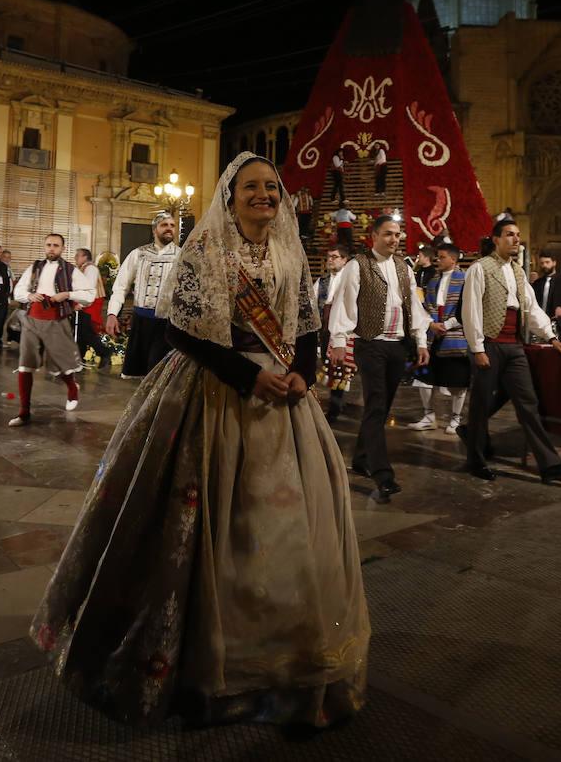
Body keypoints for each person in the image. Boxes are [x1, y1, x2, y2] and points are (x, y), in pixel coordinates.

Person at [29, 151, 370, 728]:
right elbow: (183, 332)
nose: (264, 195)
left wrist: (302, 376)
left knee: (288, 528)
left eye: (272, 187)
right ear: (230, 197)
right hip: (215, 394)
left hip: (284, 402)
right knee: (217, 524)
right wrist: (248, 375)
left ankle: (289, 662)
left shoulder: (291, 252)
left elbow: (305, 326)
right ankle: (206, 668)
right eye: (251, 188)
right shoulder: (206, 251)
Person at [329, 215, 431, 503]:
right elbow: (344, 304)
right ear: (373, 236)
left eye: (397, 234)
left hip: (397, 346)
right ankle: (383, 475)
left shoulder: (404, 269)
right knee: (376, 404)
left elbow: (415, 306)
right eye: (388, 234)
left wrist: (421, 340)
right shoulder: (357, 265)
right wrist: (339, 340)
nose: (394, 239)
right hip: (369, 343)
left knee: (382, 407)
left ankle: (361, 457)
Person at [461, 219, 561, 483]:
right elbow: (471, 311)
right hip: (489, 343)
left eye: (518, 235)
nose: (515, 239)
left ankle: (549, 465)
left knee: (528, 402)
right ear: (496, 239)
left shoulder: (520, 272)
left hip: (514, 345)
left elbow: (531, 310)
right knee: (481, 404)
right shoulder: (479, 268)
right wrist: (477, 348)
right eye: (509, 234)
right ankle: (476, 460)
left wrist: (551, 336)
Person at [9, 234, 95, 427]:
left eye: (56, 245)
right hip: (31, 319)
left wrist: (67, 294)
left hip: (56, 319)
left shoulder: (70, 270)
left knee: (62, 361)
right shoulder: (35, 267)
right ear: (44, 246)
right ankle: (24, 412)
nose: (51, 248)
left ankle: (72, 388)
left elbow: (90, 294)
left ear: (63, 248)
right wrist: (30, 295)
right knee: (25, 364)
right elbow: (18, 291)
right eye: (48, 245)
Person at [106, 211, 180, 378]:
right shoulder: (138, 254)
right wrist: (112, 314)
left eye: (172, 225)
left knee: (159, 374)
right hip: (141, 323)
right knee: (142, 376)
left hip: (167, 326)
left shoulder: (181, 256)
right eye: (164, 225)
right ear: (154, 230)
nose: (169, 229)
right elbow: (120, 286)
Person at [408, 244, 470, 435]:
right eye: (437, 257)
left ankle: (455, 419)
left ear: (453, 259)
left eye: (442, 257)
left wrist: (449, 324)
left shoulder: (464, 279)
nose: (438, 261)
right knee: (424, 378)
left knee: (457, 381)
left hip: (455, 333)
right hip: (433, 334)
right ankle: (429, 416)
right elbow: (426, 306)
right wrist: (431, 324)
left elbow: (467, 306)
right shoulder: (433, 280)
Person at [314, 246, 352, 424]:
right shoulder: (322, 281)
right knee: (329, 367)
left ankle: (335, 408)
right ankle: (335, 403)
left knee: (340, 369)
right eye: (329, 256)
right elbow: (313, 303)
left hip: (345, 331)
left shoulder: (351, 279)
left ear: (345, 260)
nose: (330, 259)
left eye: (335, 257)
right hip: (326, 329)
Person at [74, 248, 113, 367]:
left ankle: (105, 352)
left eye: (78, 256)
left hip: (90, 303)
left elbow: (89, 288)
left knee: (87, 332)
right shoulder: (84, 268)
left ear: (85, 257)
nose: (75, 258)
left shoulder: (90, 268)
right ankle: (80, 358)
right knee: (81, 332)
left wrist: (80, 304)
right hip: (87, 303)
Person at [532, 249, 561, 341]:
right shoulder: (537, 284)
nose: (544, 265)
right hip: (539, 326)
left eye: (547, 262)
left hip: (559, 327)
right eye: (542, 263)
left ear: (554, 263)